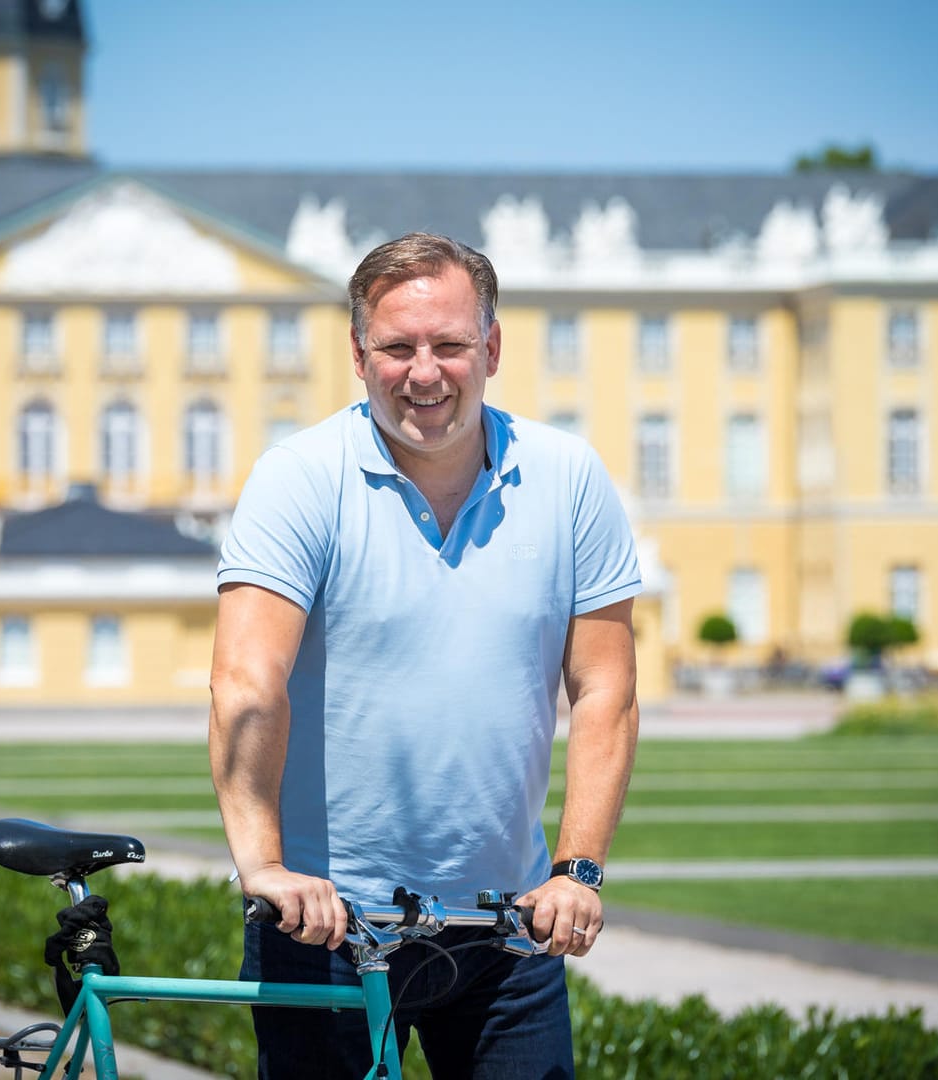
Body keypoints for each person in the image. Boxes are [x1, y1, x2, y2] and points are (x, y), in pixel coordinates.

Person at [208, 233, 641, 1077]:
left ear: (491, 347)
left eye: (448, 345)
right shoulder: (299, 477)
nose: (425, 372)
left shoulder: (568, 476)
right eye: (398, 347)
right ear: (360, 354)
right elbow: (246, 681)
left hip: (509, 928)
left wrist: (577, 870)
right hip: (324, 925)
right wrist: (264, 865)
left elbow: (605, 690)